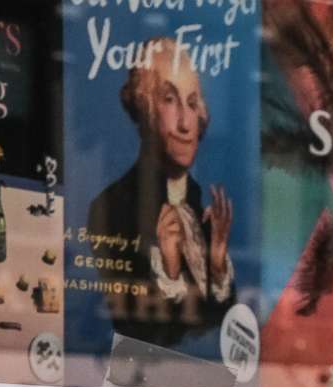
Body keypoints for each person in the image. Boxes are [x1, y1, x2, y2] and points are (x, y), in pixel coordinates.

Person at [84, 38, 236, 344]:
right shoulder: (112, 206)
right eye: (169, 99)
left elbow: (225, 334)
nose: (184, 123)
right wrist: (168, 268)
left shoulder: (202, 209)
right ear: (144, 107)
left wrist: (218, 262)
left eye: (192, 103)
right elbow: (135, 337)